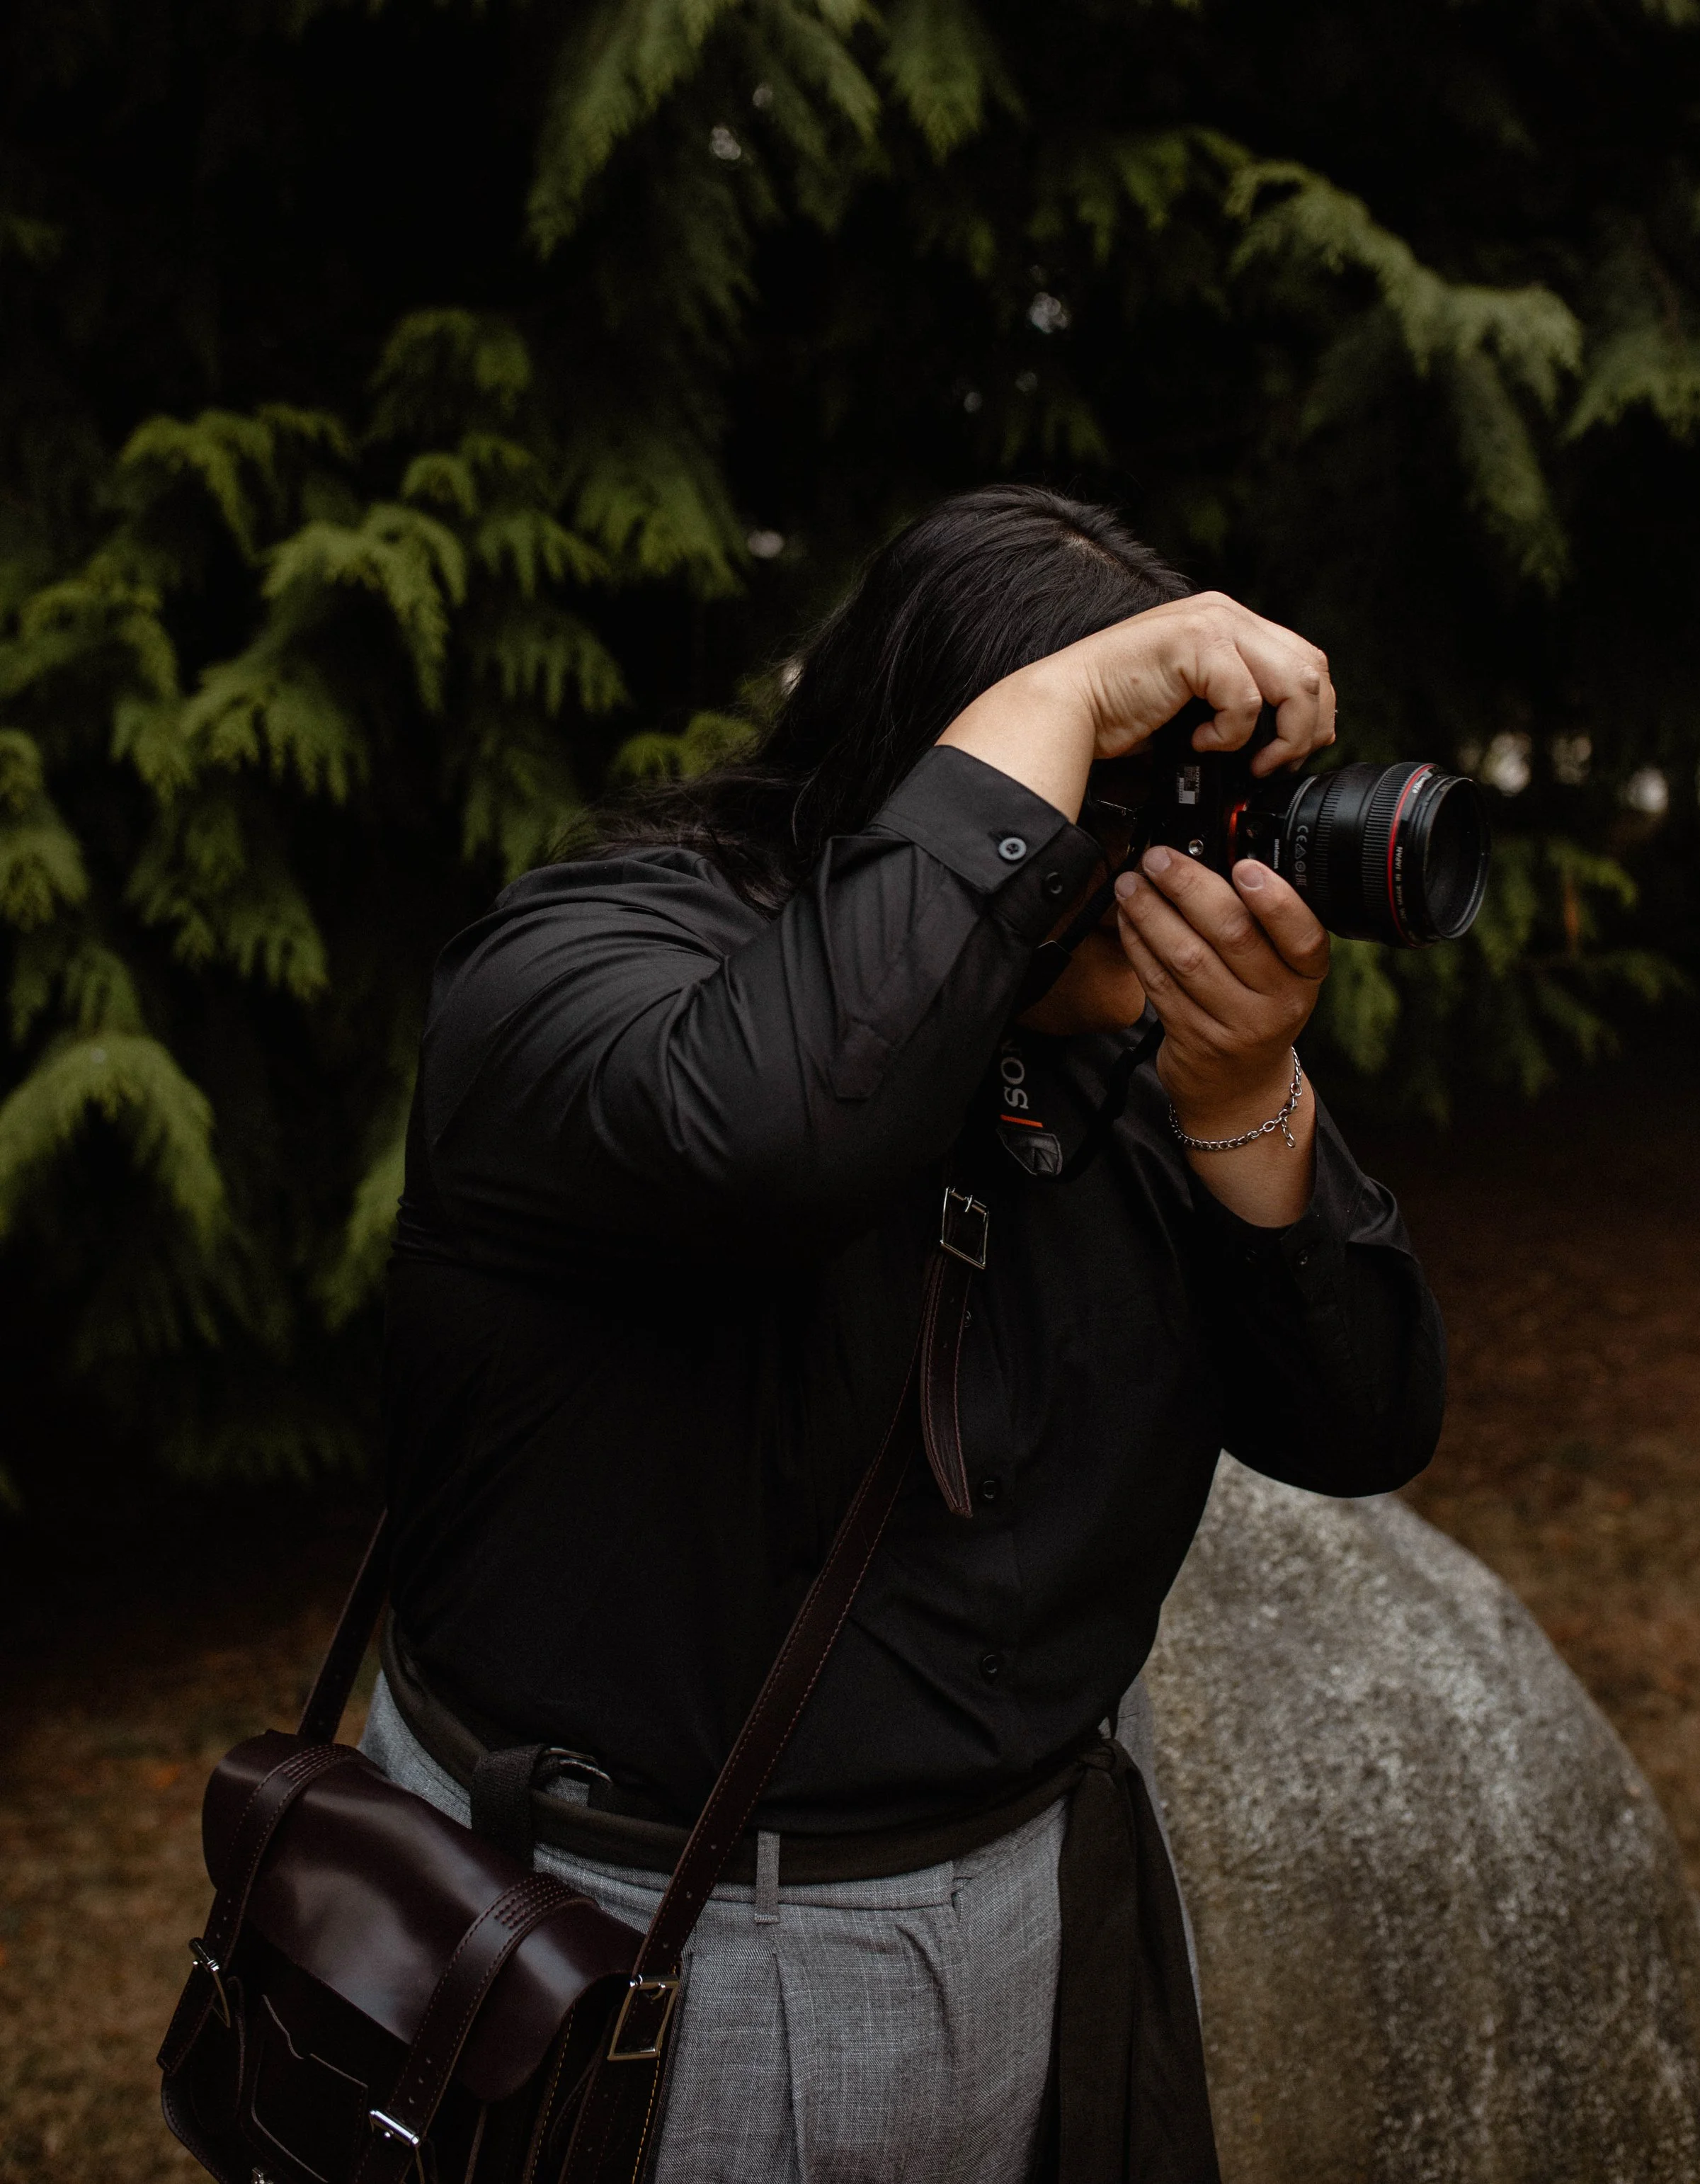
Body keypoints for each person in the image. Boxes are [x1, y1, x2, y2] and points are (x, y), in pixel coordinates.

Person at [361, 485, 1447, 2183]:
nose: (1183, 855)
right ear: (964, 763)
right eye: (1126, 793)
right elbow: (778, 1127)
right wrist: (1061, 707)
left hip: (1013, 1905)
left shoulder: (1118, 1055)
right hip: (640, 1944)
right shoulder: (587, 958)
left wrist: (1246, 1099)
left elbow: (1365, 1420)